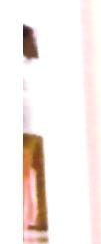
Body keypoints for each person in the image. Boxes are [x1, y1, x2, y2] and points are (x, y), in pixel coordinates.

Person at [23, 24, 48, 232]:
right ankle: (37, 216)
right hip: (36, 125)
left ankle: (32, 216)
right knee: (34, 173)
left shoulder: (27, 66)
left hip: (28, 126)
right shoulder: (35, 65)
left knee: (27, 174)